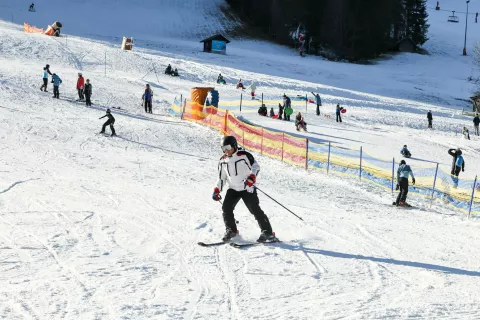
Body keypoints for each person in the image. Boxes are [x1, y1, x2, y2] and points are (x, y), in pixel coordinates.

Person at [212, 136, 277, 243]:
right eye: (223, 148)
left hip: (247, 187)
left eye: (228, 147)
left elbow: (256, 166)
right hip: (233, 188)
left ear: (234, 145)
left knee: (254, 209)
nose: (226, 150)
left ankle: (268, 232)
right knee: (226, 208)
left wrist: (251, 178)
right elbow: (222, 178)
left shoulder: (244, 155)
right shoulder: (222, 161)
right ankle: (231, 230)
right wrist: (217, 190)